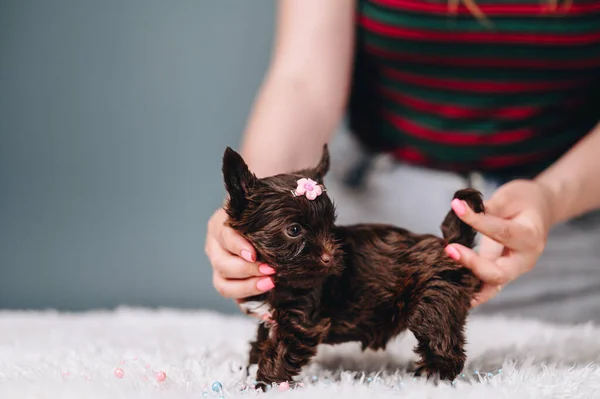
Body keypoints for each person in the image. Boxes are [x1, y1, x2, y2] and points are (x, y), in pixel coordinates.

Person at [205, 0, 600, 324]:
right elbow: (302, 82)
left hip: (569, 248)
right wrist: (259, 214)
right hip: (363, 257)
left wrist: (551, 197)